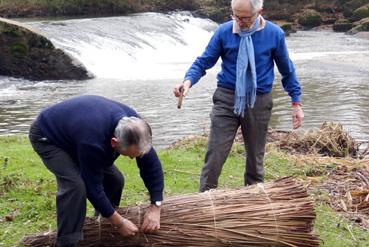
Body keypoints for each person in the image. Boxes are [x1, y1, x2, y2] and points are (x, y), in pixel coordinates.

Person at [173, 0, 304, 192]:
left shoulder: (274, 34)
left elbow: (287, 71)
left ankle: (253, 203)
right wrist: (187, 82)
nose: (239, 21)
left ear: (260, 11)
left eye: (244, 17)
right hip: (226, 98)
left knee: (255, 159)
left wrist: (296, 102)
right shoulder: (224, 32)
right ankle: (206, 201)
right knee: (215, 155)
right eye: (235, 16)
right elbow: (203, 62)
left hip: (258, 100)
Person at [28, 95, 164, 247]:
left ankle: (101, 226)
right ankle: (67, 242)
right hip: (49, 137)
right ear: (114, 142)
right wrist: (120, 222)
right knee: (75, 186)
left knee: (115, 181)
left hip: (76, 133)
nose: (133, 159)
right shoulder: (92, 141)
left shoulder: (137, 128)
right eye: (129, 155)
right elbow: (92, 187)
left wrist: (156, 206)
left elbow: (151, 166)